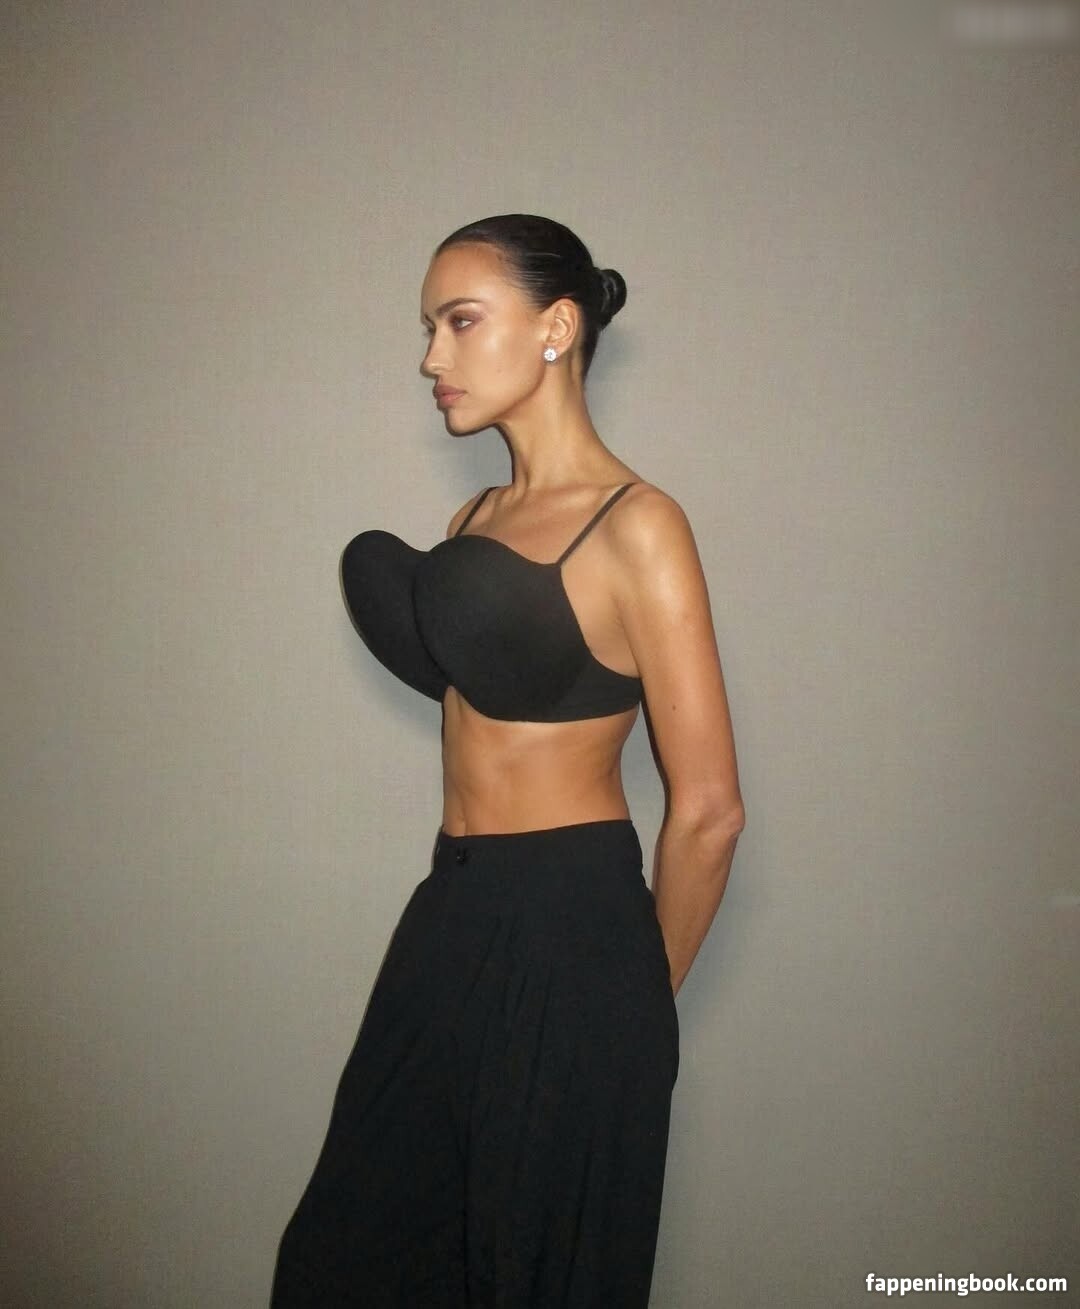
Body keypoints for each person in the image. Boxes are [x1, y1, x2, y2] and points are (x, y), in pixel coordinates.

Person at [270, 214, 744, 1307]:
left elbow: (710, 809)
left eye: (460, 321)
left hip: (573, 925)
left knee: (536, 1266)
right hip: (453, 909)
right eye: (430, 328)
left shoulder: (641, 525)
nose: (431, 357)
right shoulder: (474, 513)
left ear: (555, 327)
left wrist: (635, 1001)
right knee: (354, 1254)